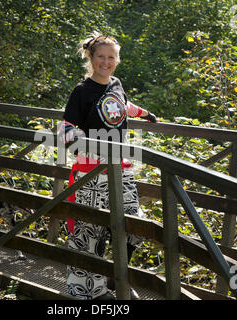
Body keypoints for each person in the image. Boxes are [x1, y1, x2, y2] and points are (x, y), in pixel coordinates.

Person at [58, 32, 158, 300]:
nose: (106, 62)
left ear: (117, 60)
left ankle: (115, 276)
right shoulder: (81, 91)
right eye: (100, 56)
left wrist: (145, 114)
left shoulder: (116, 83)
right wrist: (81, 139)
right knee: (88, 234)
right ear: (90, 58)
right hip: (90, 172)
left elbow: (121, 105)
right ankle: (88, 293)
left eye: (111, 57)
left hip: (121, 169)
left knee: (136, 226)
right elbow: (66, 127)